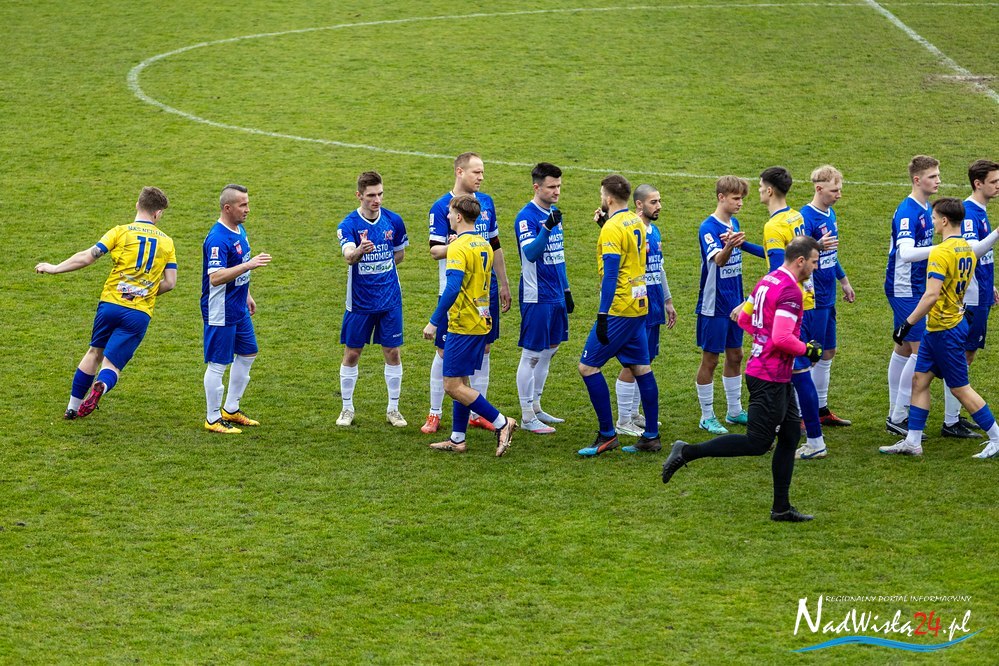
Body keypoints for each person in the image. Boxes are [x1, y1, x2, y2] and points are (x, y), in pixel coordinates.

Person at [662, 236, 824, 522]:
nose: (816, 267)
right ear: (800, 261)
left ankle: (781, 508)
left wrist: (763, 340)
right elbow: (782, 338)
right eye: (814, 262)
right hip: (770, 376)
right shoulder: (790, 291)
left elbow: (744, 318)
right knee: (757, 443)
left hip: (769, 371)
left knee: (789, 436)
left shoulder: (768, 280)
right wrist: (808, 350)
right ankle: (686, 451)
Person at [36, 187, 176, 419]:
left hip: (110, 305)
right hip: (138, 312)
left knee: (94, 352)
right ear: (158, 213)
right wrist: (146, 292)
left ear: (137, 205)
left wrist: (55, 268)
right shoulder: (167, 243)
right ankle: (101, 384)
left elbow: (87, 257)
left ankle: (72, 408)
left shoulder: (120, 232)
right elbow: (170, 283)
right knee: (112, 366)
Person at [880, 197, 999, 459]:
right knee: (919, 381)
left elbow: (931, 295)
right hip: (940, 328)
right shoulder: (966, 248)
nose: (932, 223)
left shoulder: (940, 253)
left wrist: (908, 323)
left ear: (944, 220)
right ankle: (913, 442)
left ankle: (996, 437)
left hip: (946, 330)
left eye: (934, 218)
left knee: (960, 388)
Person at [422, 153, 512, 434]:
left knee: (483, 350)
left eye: (482, 172)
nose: (481, 177)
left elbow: (495, 244)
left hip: (484, 292)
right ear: (460, 172)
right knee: (444, 352)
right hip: (454, 292)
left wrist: (504, 283)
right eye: (476, 172)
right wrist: (460, 244)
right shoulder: (442, 207)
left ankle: (476, 415)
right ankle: (435, 412)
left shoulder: (486, 203)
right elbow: (434, 250)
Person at [577, 174, 661, 456]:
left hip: (619, 308)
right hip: (639, 304)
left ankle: (607, 434)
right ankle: (651, 436)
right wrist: (606, 226)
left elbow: (612, 273)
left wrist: (603, 314)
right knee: (641, 368)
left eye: (602, 194)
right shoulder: (636, 222)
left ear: (609, 198)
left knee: (588, 367)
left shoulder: (613, 228)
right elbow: (634, 255)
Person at [760, 166, 834, 460]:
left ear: (769, 190)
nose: (759, 191)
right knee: (793, 373)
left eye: (760, 187)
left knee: (798, 374)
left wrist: (756, 302)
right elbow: (788, 259)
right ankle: (785, 428)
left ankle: (815, 441)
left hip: (789, 308)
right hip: (808, 299)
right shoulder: (796, 216)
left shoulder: (773, 227)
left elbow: (778, 271)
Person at [335, 171, 409, 428]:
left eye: (380, 194)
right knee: (352, 353)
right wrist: (359, 251)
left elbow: (399, 254)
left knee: (393, 352)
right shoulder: (348, 225)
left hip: (390, 300)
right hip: (360, 302)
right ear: (359, 195)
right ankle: (347, 408)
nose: (377, 200)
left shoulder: (394, 220)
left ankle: (393, 409)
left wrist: (381, 267)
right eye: (371, 196)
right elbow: (348, 257)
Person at [694, 176, 765, 436]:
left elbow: (739, 250)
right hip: (714, 305)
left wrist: (767, 250)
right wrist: (730, 245)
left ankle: (734, 411)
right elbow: (720, 261)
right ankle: (706, 416)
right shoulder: (708, 227)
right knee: (711, 359)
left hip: (735, 303)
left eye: (742, 198)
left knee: (736, 355)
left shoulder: (733, 223)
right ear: (721, 197)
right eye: (736, 198)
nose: (740, 203)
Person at [201, 184, 271, 434]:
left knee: (248, 353)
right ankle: (212, 418)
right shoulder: (218, 239)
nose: (248, 209)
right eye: (243, 205)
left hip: (238, 305)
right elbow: (216, 277)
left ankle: (230, 409)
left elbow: (239, 265)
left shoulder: (239, 229)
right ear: (227, 208)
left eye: (248, 203)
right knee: (218, 363)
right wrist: (249, 265)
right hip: (220, 309)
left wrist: (247, 294)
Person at [513, 162, 573, 434]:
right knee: (532, 355)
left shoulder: (552, 214)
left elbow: (558, 256)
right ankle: (527, 416)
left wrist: (567, 290)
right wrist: (547, 228)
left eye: (559, 186)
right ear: (536, 187)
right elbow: (531, 253)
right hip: (536, 295)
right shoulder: (526, 217)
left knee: (551, 349)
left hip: (555, 294)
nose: (557, 191)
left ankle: (536, 406)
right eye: (551, 187)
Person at [885, 156, 941, 437]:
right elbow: (906, 253)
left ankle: (895, 413)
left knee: (905, 349)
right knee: (921, 353)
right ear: (917, 180)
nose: (938, 181)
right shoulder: (908, 211)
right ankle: (898, 415)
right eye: (932, 176)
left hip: (915, 286)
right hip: (904, 287)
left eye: (938, 175)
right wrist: (943, 250)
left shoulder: (925, 206)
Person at [615, 184, 677, 436]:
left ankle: (633, 413)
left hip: (654, 304)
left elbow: (658, 268)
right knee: (633, 363)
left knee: (647, 360)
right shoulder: (632, 230)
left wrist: (667, 300)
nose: (659, 206)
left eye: (659, 201)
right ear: (639, 204)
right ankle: (622, 420)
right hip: (635, 307)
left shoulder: (655, 230)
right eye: (653, 202)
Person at [800, 165, 855, 428]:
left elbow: (831, 255)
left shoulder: (830, 213)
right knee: (812, 354)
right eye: (834, 191)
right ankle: (802, 414)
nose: (839, 195)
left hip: (828, 294)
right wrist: (817, 246)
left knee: (828, 352)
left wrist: (843, 281)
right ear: (819, 188)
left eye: (840, 189)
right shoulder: (805, 217)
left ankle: (821, 409)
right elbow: (798, 254)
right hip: (813, 298)